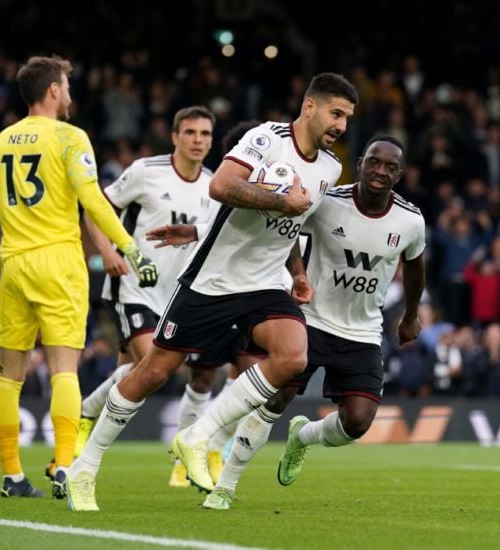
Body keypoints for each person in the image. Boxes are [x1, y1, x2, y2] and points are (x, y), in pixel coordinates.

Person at [66, 73, 358, 511]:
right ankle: (84, 469)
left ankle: (197, 437)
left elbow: (292, 228)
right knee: (152, 371)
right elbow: (221, 186)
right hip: (213, 281)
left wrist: (297, 270)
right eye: (336, 113)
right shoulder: (267, 139)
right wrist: (282, 201)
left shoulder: (331, 167)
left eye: (348, 118)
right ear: (310, 106)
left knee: (293, 355)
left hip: (263, 284)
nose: (342, 126)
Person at [158, 135, 427, 510]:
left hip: (363, 331)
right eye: (373, 162)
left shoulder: (411, 220)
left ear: (400, 174)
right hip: (312, 319)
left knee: (358, 423)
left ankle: (303, 438)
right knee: (274, 400)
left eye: (390, 167)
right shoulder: (329, 202)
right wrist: (297, 273)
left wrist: (410, 315)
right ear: (361, 162)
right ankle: (226, 487)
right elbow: (284, 233)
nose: (380, 171)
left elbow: (414, 264)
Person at [0, 56, 157, 499]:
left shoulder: (1, 142)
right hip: (59, 264)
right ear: (52, 91)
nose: (69, 94)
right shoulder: (70, 137)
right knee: (63, 369)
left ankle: (11, 476)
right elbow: (92, 200)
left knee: (9, 375)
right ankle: (65, 466)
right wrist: (128, 246)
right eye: (66, 86)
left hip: (12, 267)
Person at [74, 110, 257, 488]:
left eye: (205, 134)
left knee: (132, 374)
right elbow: (96, 207)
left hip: (179, 297)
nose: (198, 140)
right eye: (189, 132)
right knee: (154, 366)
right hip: (134, 287)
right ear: (174, 136)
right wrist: (107, 252)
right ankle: (100, 440)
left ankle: (87, 412)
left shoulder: (216, 185)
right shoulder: (145, 171)